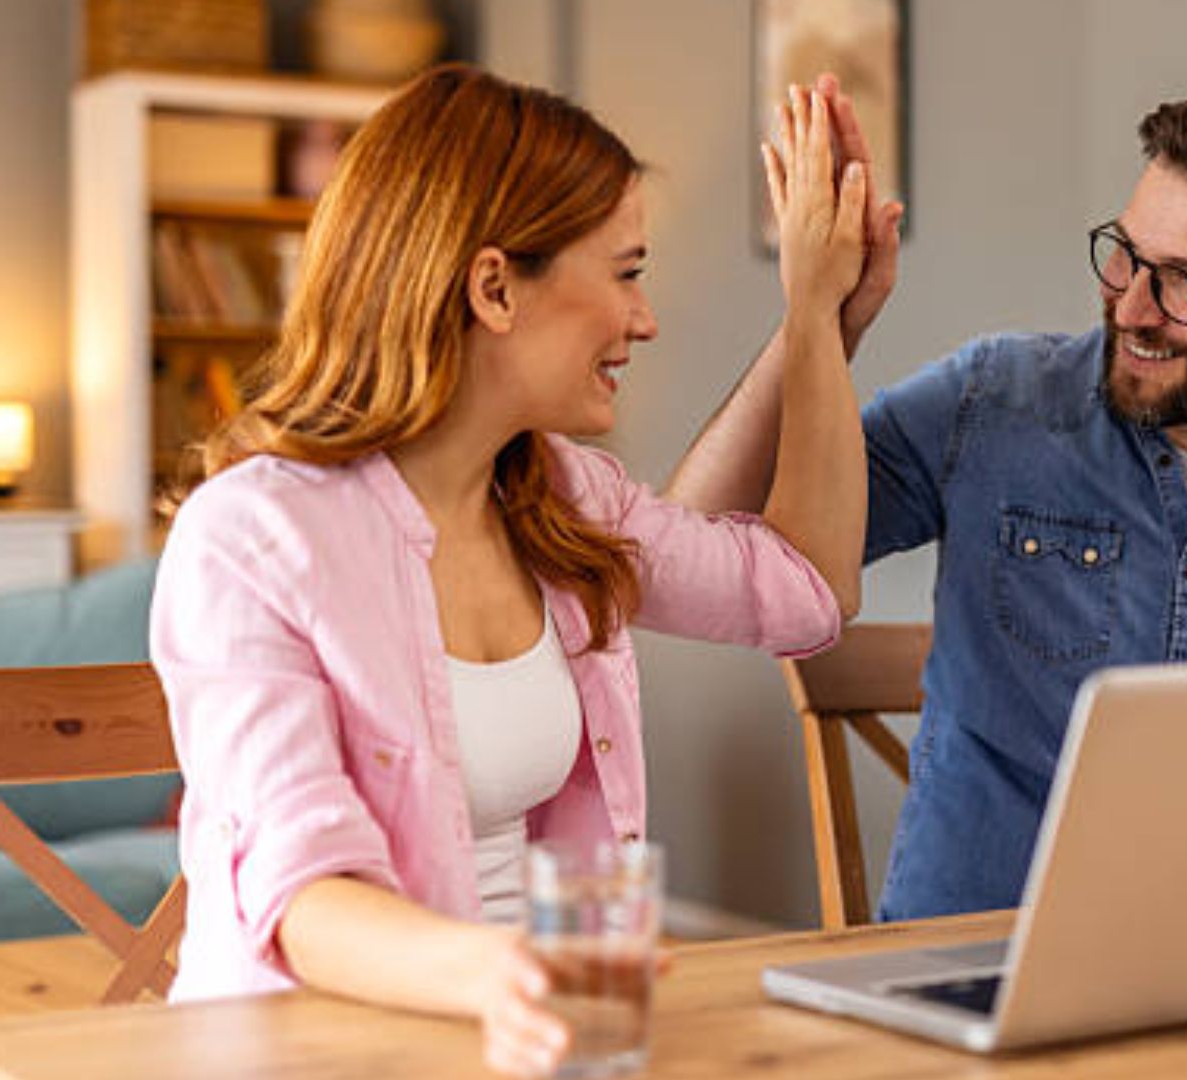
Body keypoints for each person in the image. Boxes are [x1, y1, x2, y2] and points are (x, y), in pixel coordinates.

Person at [150, 65, 868, 1076]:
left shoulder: (564, 500)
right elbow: (301, 893)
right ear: (493, 286)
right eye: (625, 273)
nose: (646, 318)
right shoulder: (253, 536)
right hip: (320, 1053)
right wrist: (505, 972)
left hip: (533, 1043)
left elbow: (804, 594)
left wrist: (818, 316)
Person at [667, 87, 1187, 922]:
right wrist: (819, 321)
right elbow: (688, 553)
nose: (1131, 305)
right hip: (977, 960)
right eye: (1126, 253)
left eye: (1184, 283)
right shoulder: (993, 403)